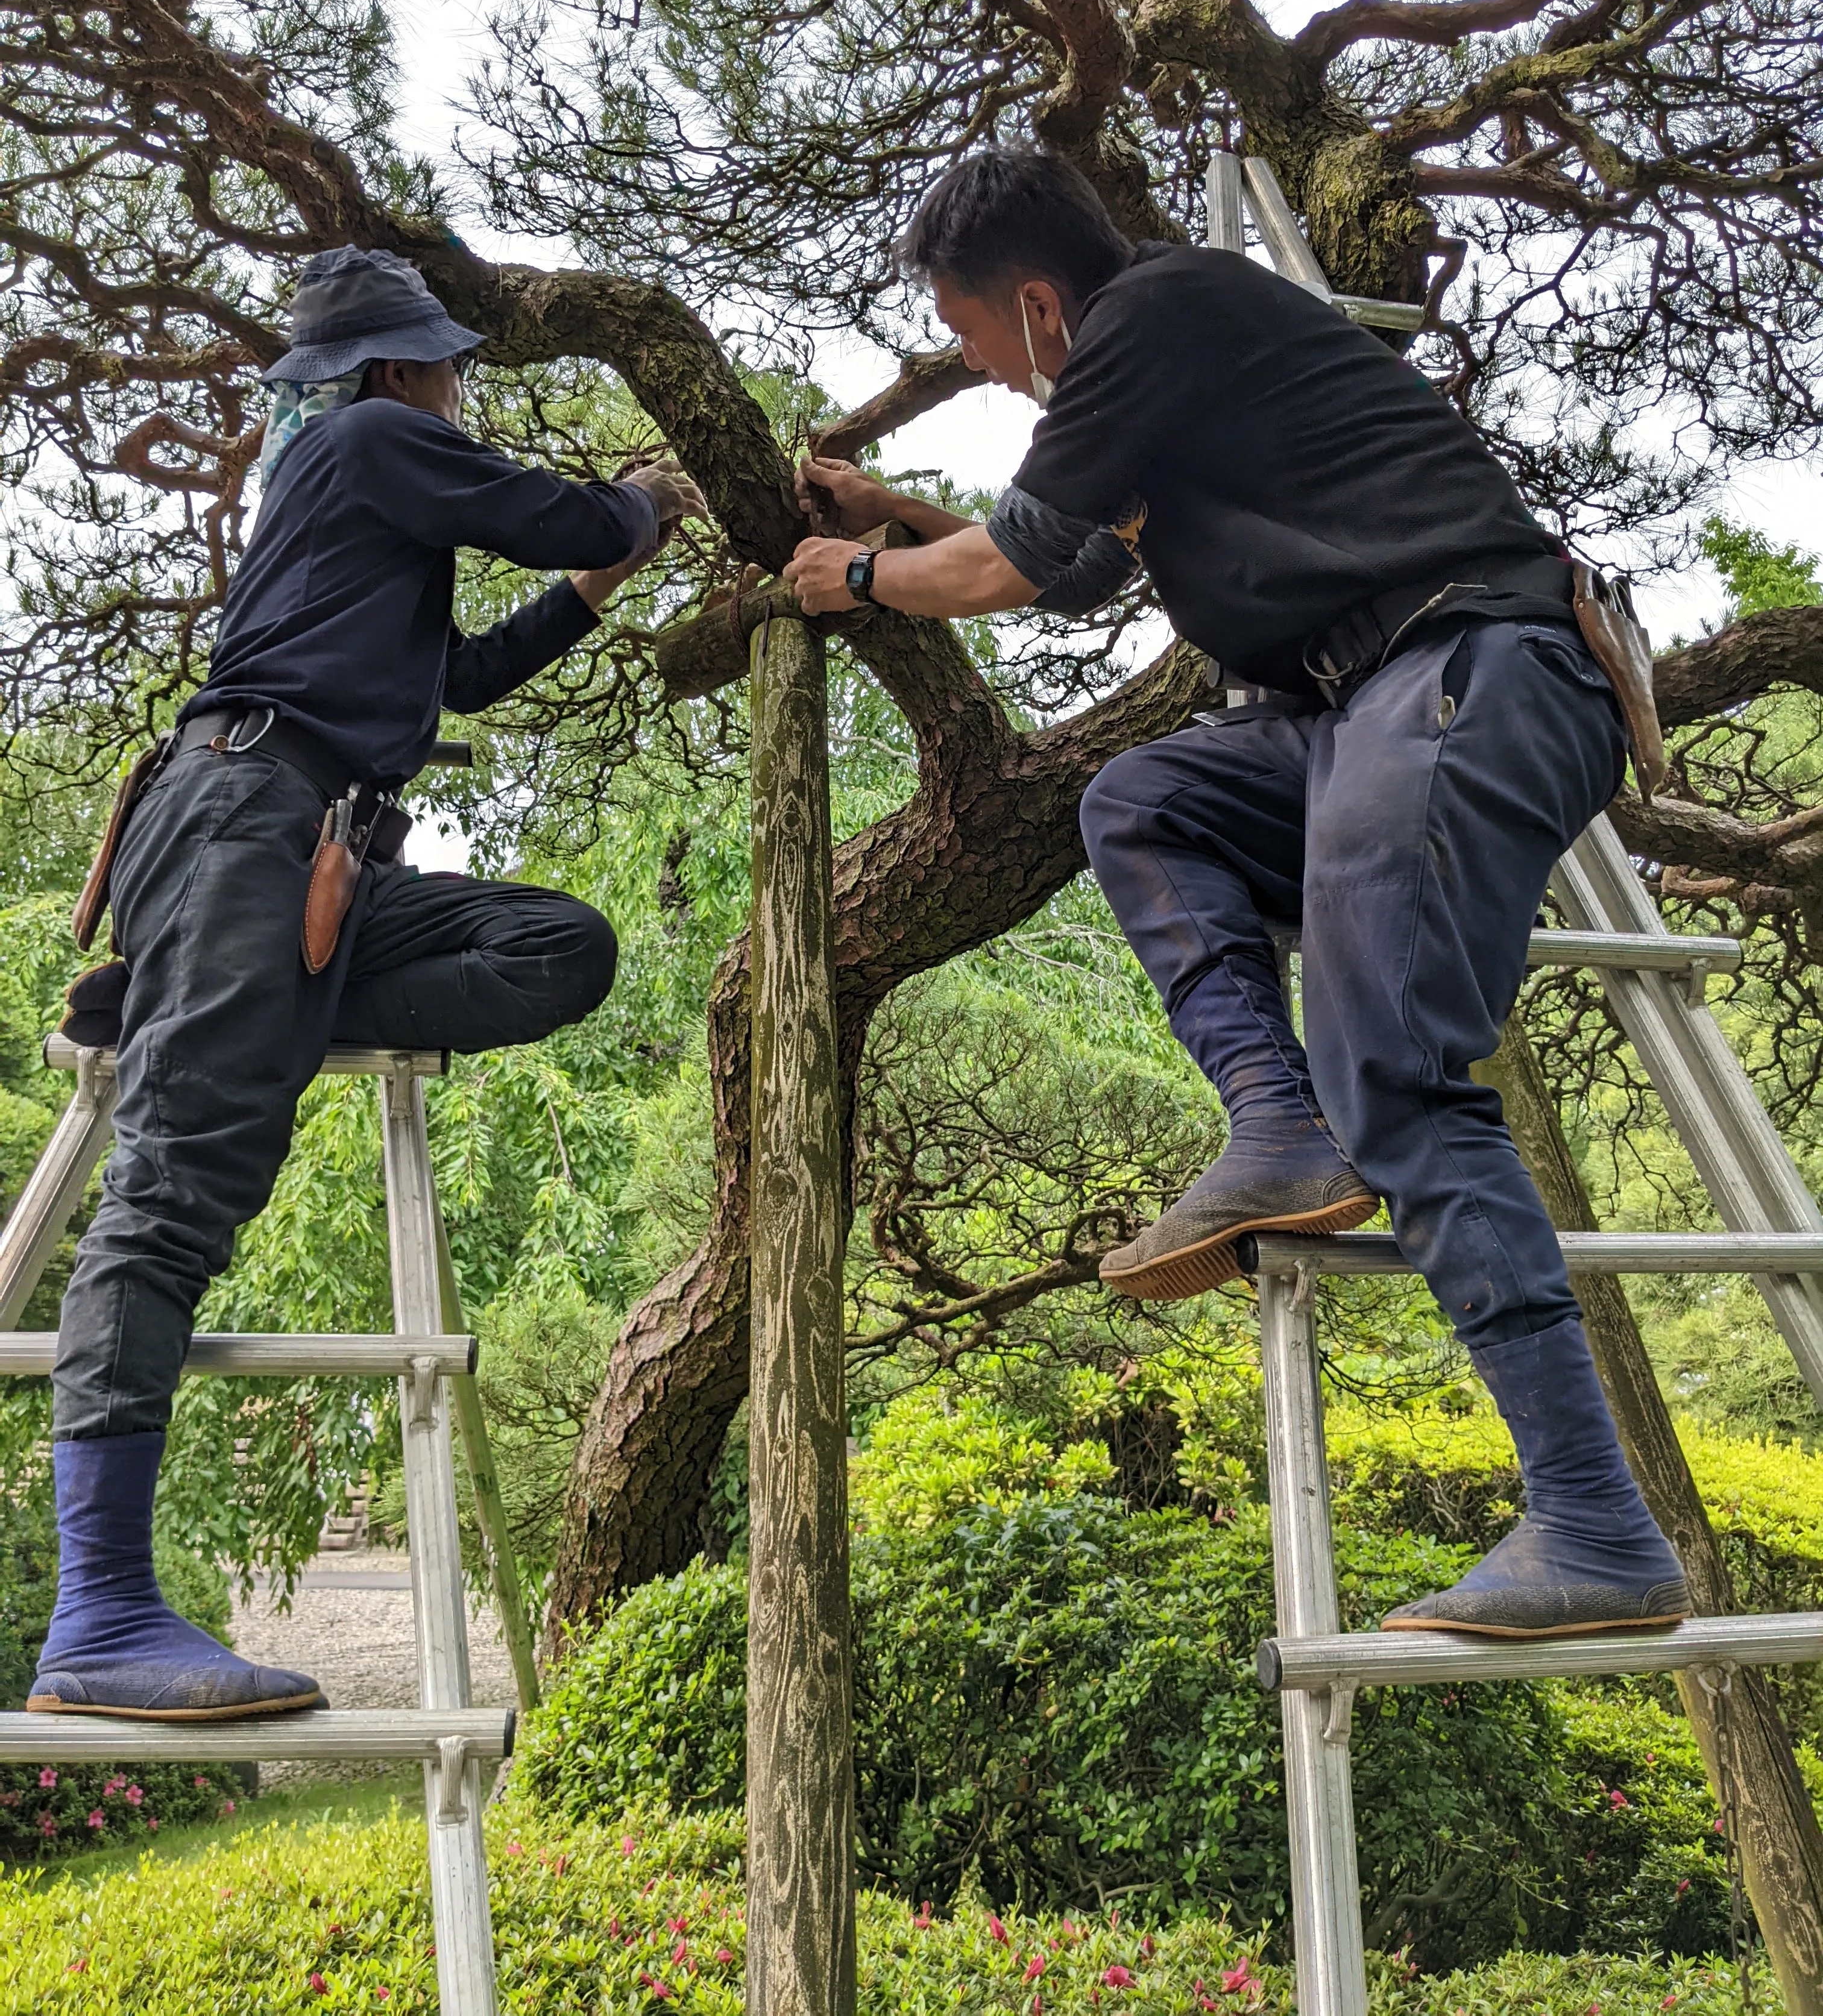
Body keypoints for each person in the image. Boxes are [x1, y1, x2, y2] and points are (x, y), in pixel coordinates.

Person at [784, 146, 1689, 1641]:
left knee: (1399, 1075)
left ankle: (1595, 1519)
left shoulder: (1154, 312)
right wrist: (890, 508)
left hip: (1463, 667)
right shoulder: (1163, 369)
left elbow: (1017, 566)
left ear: (1038, 305)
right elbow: (1081, 567)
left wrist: (859, 577)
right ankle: (1280, 1125)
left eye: (969, 333)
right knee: (1144, 801)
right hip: (1372, 699)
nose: (977, 365)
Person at [33, 245, 705, 1719]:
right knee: (172, 1192)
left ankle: (224, 998)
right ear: (404, 367)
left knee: (560, 948)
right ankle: (99, 1613)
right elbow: (566, 512)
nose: (459, 385)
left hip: (300, 856)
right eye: (450, 364)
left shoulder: (350, 488)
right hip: (245, 828)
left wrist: (611, 565)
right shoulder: (371, 438)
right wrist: (650, 500)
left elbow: (463, 678)